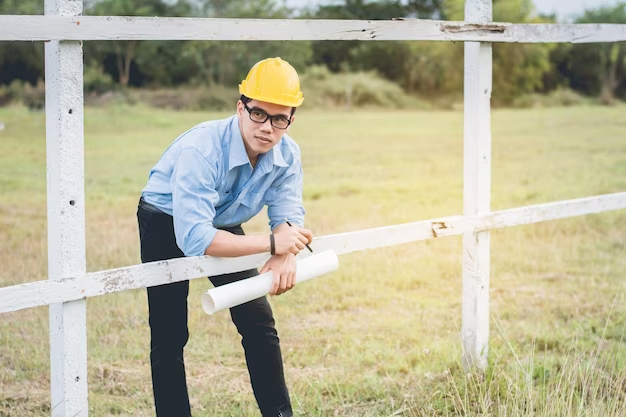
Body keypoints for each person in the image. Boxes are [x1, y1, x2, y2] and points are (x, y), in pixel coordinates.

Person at [137, 57, 313, 417]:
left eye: (280, 118)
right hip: (166, 219)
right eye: (259, 113)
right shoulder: (200, 149)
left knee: (258, 320)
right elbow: (196, 238)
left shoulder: (288, 153)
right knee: (170, 332)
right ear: (241, 107)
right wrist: (273, 244)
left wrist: (286, 252)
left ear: (291, 120)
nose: (267, 127)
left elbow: (288, 218)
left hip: (221, 218)